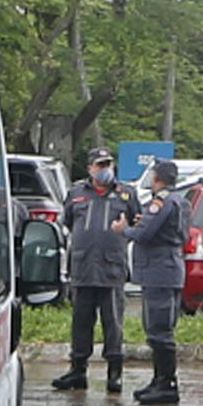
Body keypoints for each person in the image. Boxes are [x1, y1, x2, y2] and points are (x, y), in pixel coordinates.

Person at [55, 157, 135, 393]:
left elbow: (135, 223)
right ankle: (78, 371)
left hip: (111, 268)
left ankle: (114, 373)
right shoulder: (77, 193)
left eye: (108, 165)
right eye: (100, 165)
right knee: (81, 321)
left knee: (113, 322)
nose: (104, 170)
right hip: (83, 267)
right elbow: (68, 222)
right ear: (90, 168)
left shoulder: (126, 194)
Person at [127, 161, 188, 406]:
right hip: (168, 270)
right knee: (158, 328)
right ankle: (159, 379)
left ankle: (166, 384)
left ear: (156, 178)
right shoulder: (180, 200)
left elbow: (144, 234)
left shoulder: (161, 201)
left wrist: (124, 229)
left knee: (159, 329)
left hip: (159, 271)